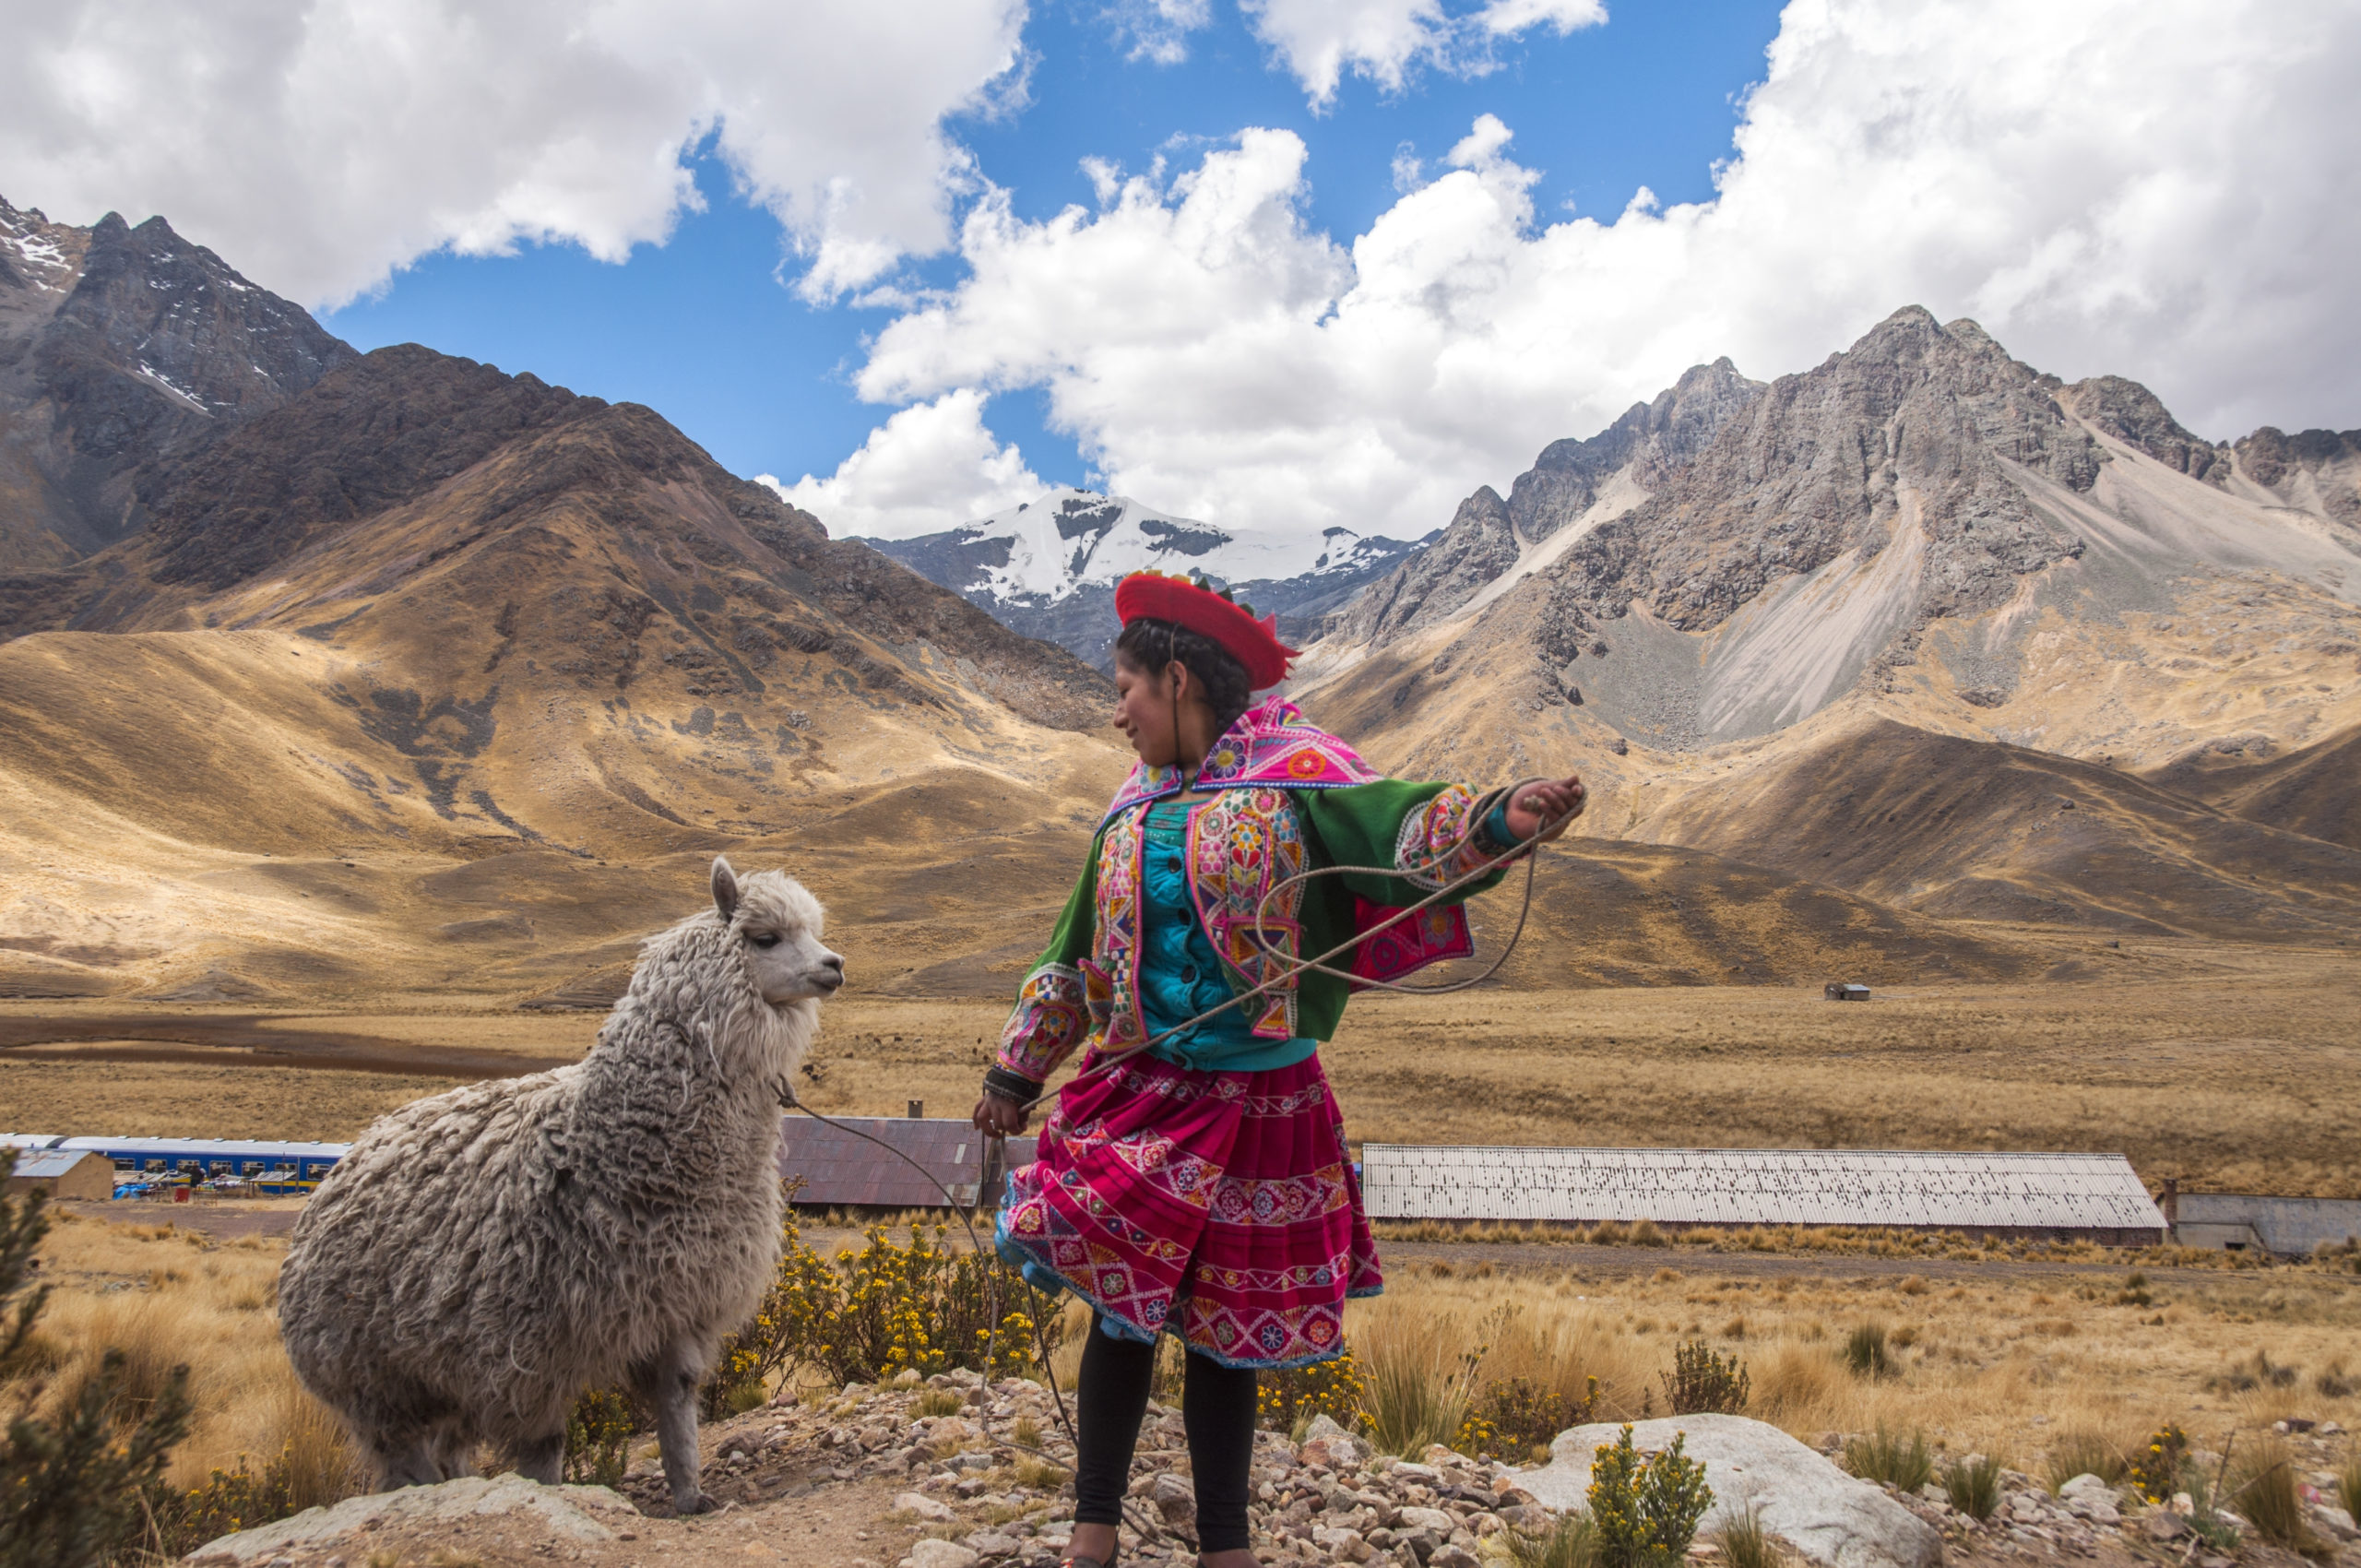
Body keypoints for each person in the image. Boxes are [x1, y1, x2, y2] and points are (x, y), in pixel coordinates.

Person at [971, 570, 1584, 1568]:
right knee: (1120, 1310)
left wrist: (1498, 819)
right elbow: (1076, 946)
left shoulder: (1299, 774)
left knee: (1224, 1326)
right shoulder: (1129, 807)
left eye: (1125, 688)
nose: (1116, 713)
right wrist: (1014, 1071)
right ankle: (1092, 1528)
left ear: (1176, 679)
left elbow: (1397, 830)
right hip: (1138, 1087)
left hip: (1262, 1095)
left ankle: (1226, 1545)